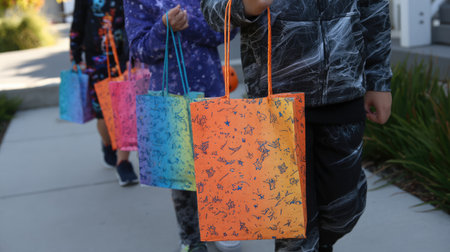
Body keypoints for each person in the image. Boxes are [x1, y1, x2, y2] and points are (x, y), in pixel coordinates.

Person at [201, 0, 392, 251]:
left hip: (344, 90)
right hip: (276, 99)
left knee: (344, 209)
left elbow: (373, 8)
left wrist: (378, 79)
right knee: (293, 226)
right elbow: (212, 11)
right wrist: (245, 6)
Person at [123, 1, 240, 252]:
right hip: (170, 95)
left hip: (210, 88)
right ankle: (191, 237)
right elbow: (140, 50)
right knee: (182, 174)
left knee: (218, 165)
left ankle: (221, 224)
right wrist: (164, 27)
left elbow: (228, 29)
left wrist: (188, 25)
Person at [70, 0, 138, 186]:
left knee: (124, 112)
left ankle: (123, 162)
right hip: (96, 61)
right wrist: (75, 55)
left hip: (125, 59)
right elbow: (78, 22)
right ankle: (108, 143)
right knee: (102, 115)